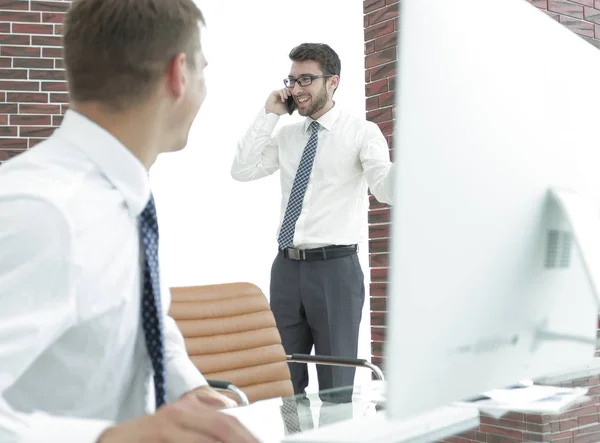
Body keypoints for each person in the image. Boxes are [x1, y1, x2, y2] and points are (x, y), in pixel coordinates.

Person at [0, 1, 257, 442]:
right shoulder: (42, 212)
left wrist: (187, 388)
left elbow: (137, 314)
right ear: (179, 75)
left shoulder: (124, 198)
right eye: (204, 69)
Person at [231, 43, 394, 401]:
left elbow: (386, 188)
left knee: (337, 387)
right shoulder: (287, 135)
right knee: (284, 384)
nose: (296, 88)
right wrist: (270, 113)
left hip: (335, 271)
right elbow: (242, 169)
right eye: (292, 79)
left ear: (332, 81)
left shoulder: (361, 133)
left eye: (306, 79)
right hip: (286, 269)